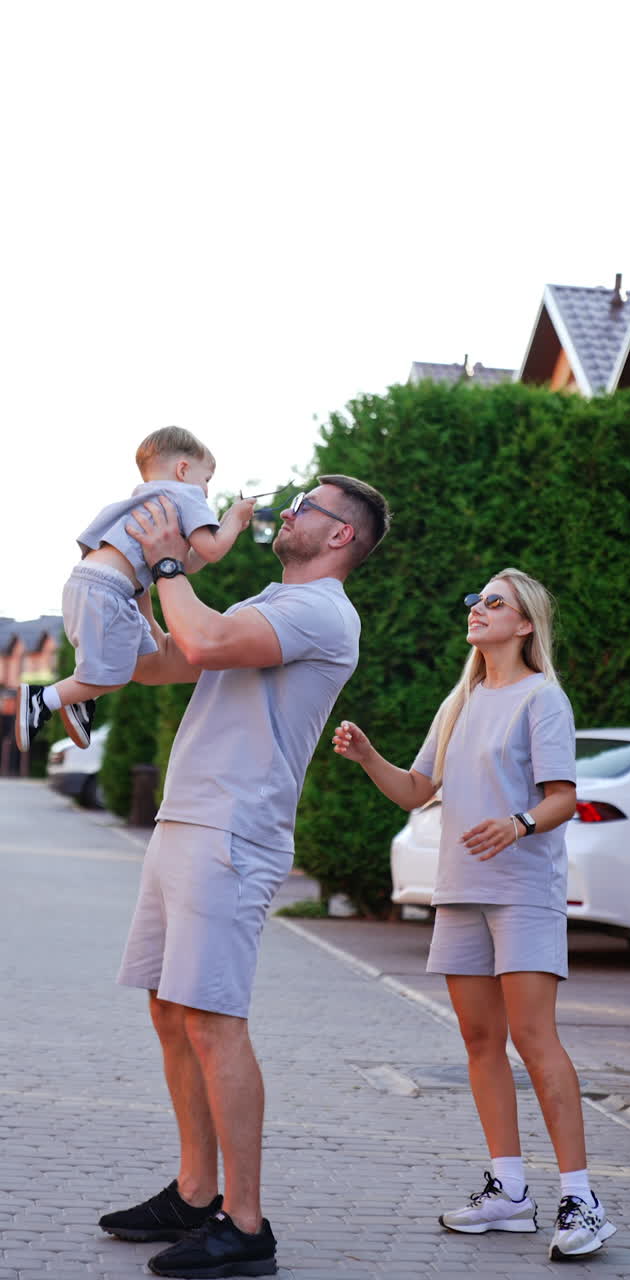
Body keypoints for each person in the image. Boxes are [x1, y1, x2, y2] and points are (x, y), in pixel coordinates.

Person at [97, 475, 390, 1280]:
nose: (287, 511)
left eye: (307, 506)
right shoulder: (271, 598)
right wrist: (123, 584)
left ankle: (246, 1226)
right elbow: (166, 664)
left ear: (341, 537)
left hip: (233, 831)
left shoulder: (321, 611)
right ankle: (195, 1194)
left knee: (213, 1018)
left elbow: (208, 645)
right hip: (187, 820)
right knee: (170, 1010)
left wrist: (167, 567)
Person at [332, 568, 616, 1262]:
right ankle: (510, 1192)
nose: (478, 609)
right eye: (475, 600)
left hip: (522, 889)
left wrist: (517, 824)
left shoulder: (542, 698)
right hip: (458, 892)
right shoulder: (458, 701)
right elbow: (416, 790)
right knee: (481, 1043)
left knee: (534, 1038)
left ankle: (580, 1198)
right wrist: (370, 756)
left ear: (525, 623)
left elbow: (560, 798)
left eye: (495, 601)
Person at [15, 426, 256, 754]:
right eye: (207, 479)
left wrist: (227, 530)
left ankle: (81, 698)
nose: (207, 491)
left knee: (134, 659)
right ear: (183, 469)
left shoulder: (145, 500)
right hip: (109, 592)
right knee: (113, 676)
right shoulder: (185, 495)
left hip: (91, 584)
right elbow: (212, 550)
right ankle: (43, 699)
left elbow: (188, 562)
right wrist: (234, 519)